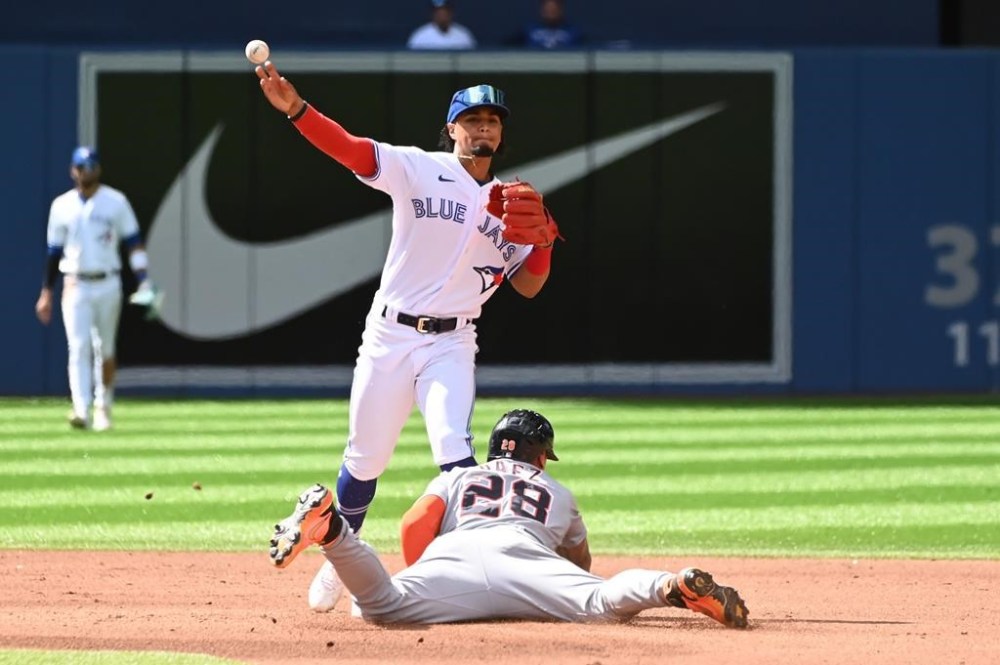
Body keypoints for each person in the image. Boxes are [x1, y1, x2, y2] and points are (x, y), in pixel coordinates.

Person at [254, 62, 559, 611]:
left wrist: (545, 241)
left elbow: (532, 287)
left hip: (452, 343)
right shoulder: (418, 168)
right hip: (390, 335)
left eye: (492, 120)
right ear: (452, 129)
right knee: (365, 459)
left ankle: (457, 575)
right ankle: (340, 555)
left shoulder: (515, 204)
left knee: (456, 452)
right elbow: (350, 149)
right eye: (472, 119)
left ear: (502, 133)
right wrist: (298, 110)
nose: (483, 128)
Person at [269, 409, 750, 628]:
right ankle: (671, 586)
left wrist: (425, 573)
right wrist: (558, 588)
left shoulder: (460, 475)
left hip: (453, 557)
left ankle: (333, 530)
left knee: (383, 605)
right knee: (602, 599)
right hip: (528, 561)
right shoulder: (557, 492)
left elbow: (415, 523)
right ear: (541, 457)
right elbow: (579, 562)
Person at [35, 146, 159, 432]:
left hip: (108, 281)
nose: (85, 173)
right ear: (72, 170)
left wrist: (143, 279)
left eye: (90, 167)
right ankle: (81, 409)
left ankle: (103, 407)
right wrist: (47, 292)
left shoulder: (115, 202)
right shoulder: (62, 206)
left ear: (98, 170)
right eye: (81, 167)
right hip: (75, 281)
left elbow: (133, 243)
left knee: (105, 349)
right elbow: (54, 252)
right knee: (78, 348)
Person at [407, 0, 477, 50]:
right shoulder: (421, 35)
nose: (442, 16)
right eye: (438, 13)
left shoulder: (463, 34)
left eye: (445, 13)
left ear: (451, 14)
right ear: (433, 15)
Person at [517, 0, 583, 49]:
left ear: (560, 11)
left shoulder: (572, 32)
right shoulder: (529, 30)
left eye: (554, 10)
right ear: (542, 11)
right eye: (548, 9)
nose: (550, 12)